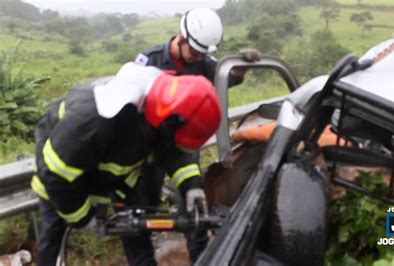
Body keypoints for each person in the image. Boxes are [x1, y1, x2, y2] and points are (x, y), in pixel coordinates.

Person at [30, 62, 221, 266]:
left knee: (136, 229)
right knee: (53, 234)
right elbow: (57, 176)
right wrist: (83, 218)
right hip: (63, 177)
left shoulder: (161, 107)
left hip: (120, 178)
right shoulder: (95, 119)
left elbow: (171, 148)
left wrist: (191, 184)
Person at [135, 8, 260, 262]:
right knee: (144, 207)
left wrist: (239, 69)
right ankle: (143, 254)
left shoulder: (201, 61)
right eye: (193, 52)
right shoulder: (150, 60)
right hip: (149, 145)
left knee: (193, 202)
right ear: (181, 37)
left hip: (183, 144)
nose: (196, 58)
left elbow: (223, 78)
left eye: (202, 54)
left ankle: (201, 256)